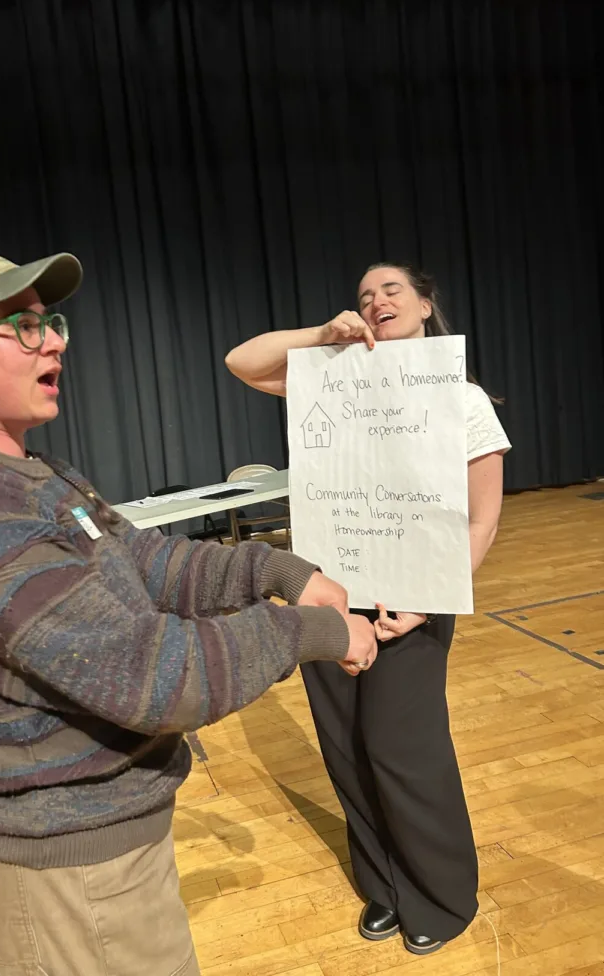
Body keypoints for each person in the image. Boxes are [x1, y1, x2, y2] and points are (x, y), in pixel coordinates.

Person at [0, 250, 381, 976]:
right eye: (22, 326)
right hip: (68, 875)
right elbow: (154, 676)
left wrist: (278, 569)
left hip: (93, 852)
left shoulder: (30, 473)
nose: (55, 339)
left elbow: (145, 563)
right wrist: (315, 631)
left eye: (50, 321)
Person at [225, 262, 511, 956]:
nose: (376, 301)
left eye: (391, 290)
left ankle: (441, 897)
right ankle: (384, 886)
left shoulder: (462, 399)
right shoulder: (334, 378)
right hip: (330, 593)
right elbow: (242, 360)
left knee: (402, 752)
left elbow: (481, 520)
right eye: (363, 295)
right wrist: (324, 335)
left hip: (412, 598)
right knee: (348, 749)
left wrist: (425, 599)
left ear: (423, 305)